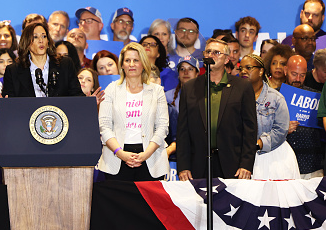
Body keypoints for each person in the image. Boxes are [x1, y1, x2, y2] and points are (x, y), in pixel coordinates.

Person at [177, 38, 257, 180]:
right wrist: (183, 166)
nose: (211, 55)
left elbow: (250, 130)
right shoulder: (190, 88)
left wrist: (246, 164)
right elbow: (183, 131)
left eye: (217, 52)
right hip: (198, 165)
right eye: (208, 52)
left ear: (226, 60)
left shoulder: (242, 87)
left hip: (233, 164)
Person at [97, 42, 169, 181]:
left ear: (143, 63)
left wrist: (146, 154)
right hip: (116, 157)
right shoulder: (111, 89)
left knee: (147, 203)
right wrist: (120, 153)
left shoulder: (157, 91)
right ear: (122, 64)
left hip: (151, 157)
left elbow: (162, 127)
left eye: (136, 60)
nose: (131, 64)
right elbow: (104, 126)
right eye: (127, 60)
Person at [239, 54, 299, 179]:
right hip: (244, 157)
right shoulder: (235, 96)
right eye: (241, 68)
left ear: (261, 71)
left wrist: (258, 144)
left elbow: (281, 130)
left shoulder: (275, 98)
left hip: (274, 157)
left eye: (248, 68)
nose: (243, 71)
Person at [0, 22, 84, 102]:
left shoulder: (65, 64)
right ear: (26, 42)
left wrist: (88, 103)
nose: (41, 40)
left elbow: (76, 96)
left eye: (44, 36)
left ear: (48, 41)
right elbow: (9, 104)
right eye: (35, 37)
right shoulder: (13, 71)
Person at [286, 55, 323, 178]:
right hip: (284, 165)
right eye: (294, 74)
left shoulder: (317, 96)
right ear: (285, 70)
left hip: (313, 166)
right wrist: (283, 129)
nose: (298, 79)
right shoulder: (274, 96)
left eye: (302, 75)